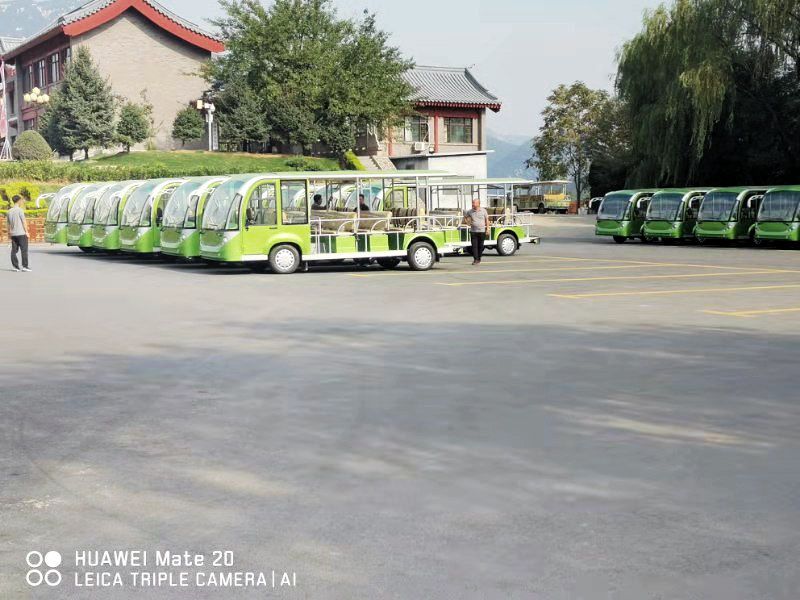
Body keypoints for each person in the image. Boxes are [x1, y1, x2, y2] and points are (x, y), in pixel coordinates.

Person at [7, 195, 31, 272]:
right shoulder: (20, 210)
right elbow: (24, 222)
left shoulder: (9, 211)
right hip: (21, 233)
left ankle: (15, 267)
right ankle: (25, 266)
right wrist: (27, 232)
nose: (22, 202)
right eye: (21, 200)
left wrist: (9, 234)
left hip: (13, 234)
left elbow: (8, 224)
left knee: (14, 250)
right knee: (24, 250)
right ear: (19, 201)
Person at [465, 199, 490, 265]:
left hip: (482, 231)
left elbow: (487, 220)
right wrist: (468, 222)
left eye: (474, 203)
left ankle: (479, 258)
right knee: (474, 246)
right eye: (472, 202)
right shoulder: (470, 211)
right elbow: (465, 217)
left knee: (481, 246)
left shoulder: (483, 210)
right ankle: (475, 259)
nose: (472, 204)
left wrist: (488, 229)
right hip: (473, 231)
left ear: (478, 203)